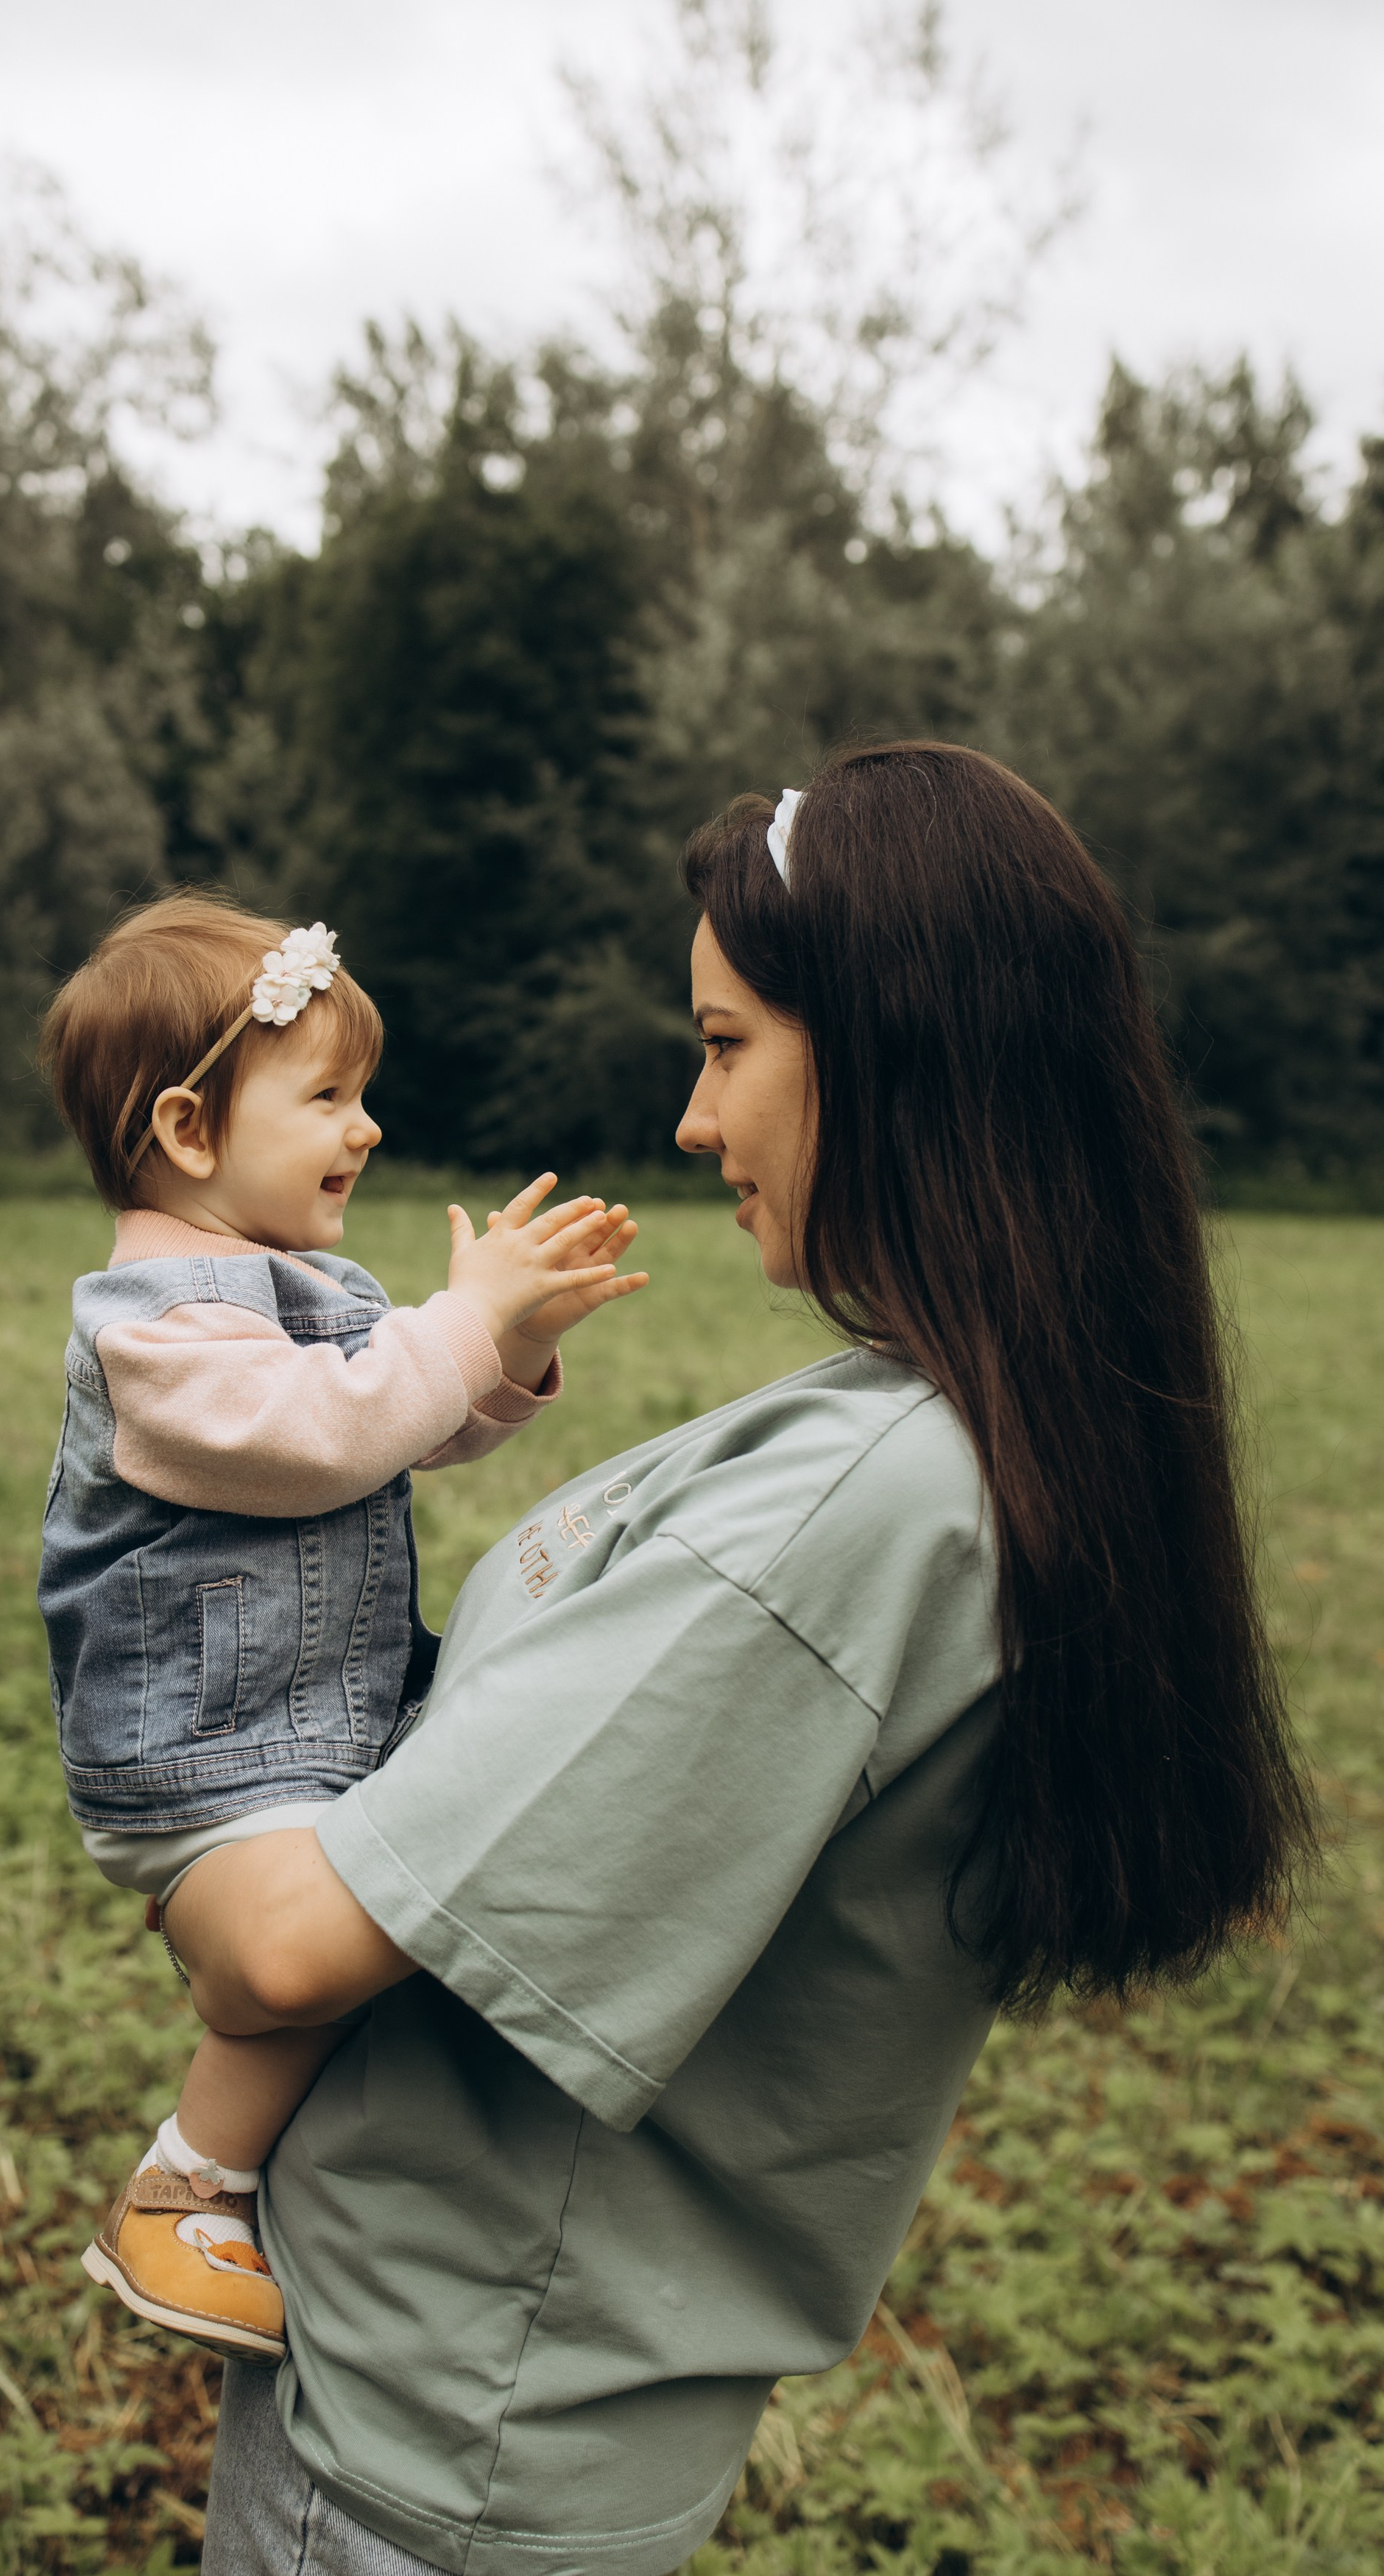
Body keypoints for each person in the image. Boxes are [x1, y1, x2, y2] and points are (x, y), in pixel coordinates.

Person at [183, 743, 1316, 2576]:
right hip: (528, 2417)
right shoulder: (959, 1444)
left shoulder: (858, 1508)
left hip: (429, 2443)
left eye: (725, 1045)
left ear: (898, 1053)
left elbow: (283, 1948)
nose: (695, 1121)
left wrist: (153, 1752)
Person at [35, 892, 645, 2357]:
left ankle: (248, 2180)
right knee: (322, 1955)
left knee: (391, 1911)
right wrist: (457, 1326)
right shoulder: (155, 1331)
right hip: (205, 1760)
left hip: (308, 1738)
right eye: (326, 1097)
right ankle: (187, 2188)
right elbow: (327, 1433)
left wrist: (507, 1344)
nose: (365, 1129)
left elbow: (411, 1426)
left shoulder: (317, 1289)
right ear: (189, 1131)